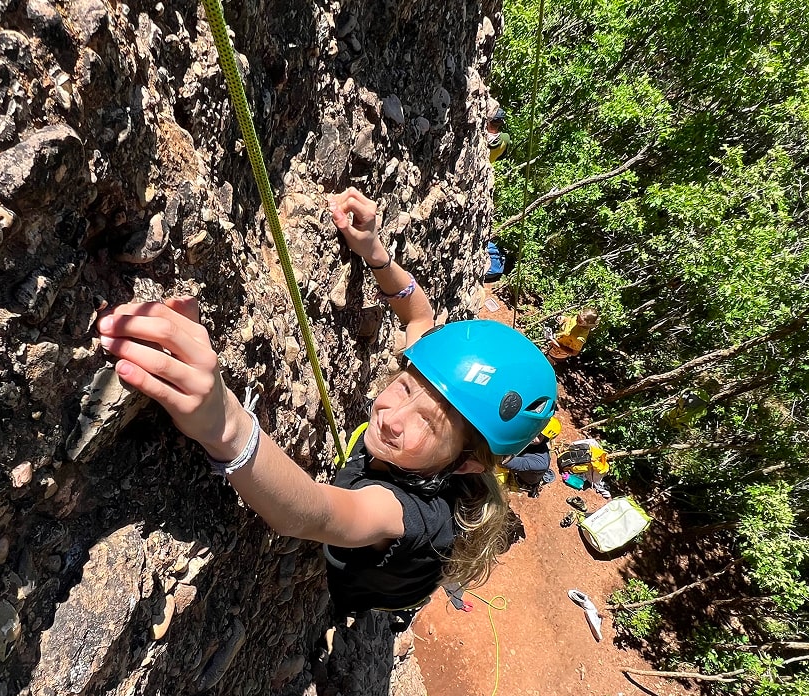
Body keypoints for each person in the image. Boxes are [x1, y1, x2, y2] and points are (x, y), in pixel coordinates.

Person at [96, 187, 558, 623]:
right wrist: (375, 252)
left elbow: (314, 512)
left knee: (356, 595)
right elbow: (419, 316)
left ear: (464, 466)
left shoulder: (409, 513)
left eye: (428, 425)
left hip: (368, 588)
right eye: (405, 386)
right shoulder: (443, 407)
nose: (391, 417)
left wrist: (224, 423)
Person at [503, 416, 559, 498]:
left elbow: (505, 462)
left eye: (539, 436)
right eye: (535, 431)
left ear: (545, 440)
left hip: (524, 478)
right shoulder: (533, 442)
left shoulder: (539, 462)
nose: (533, 436)